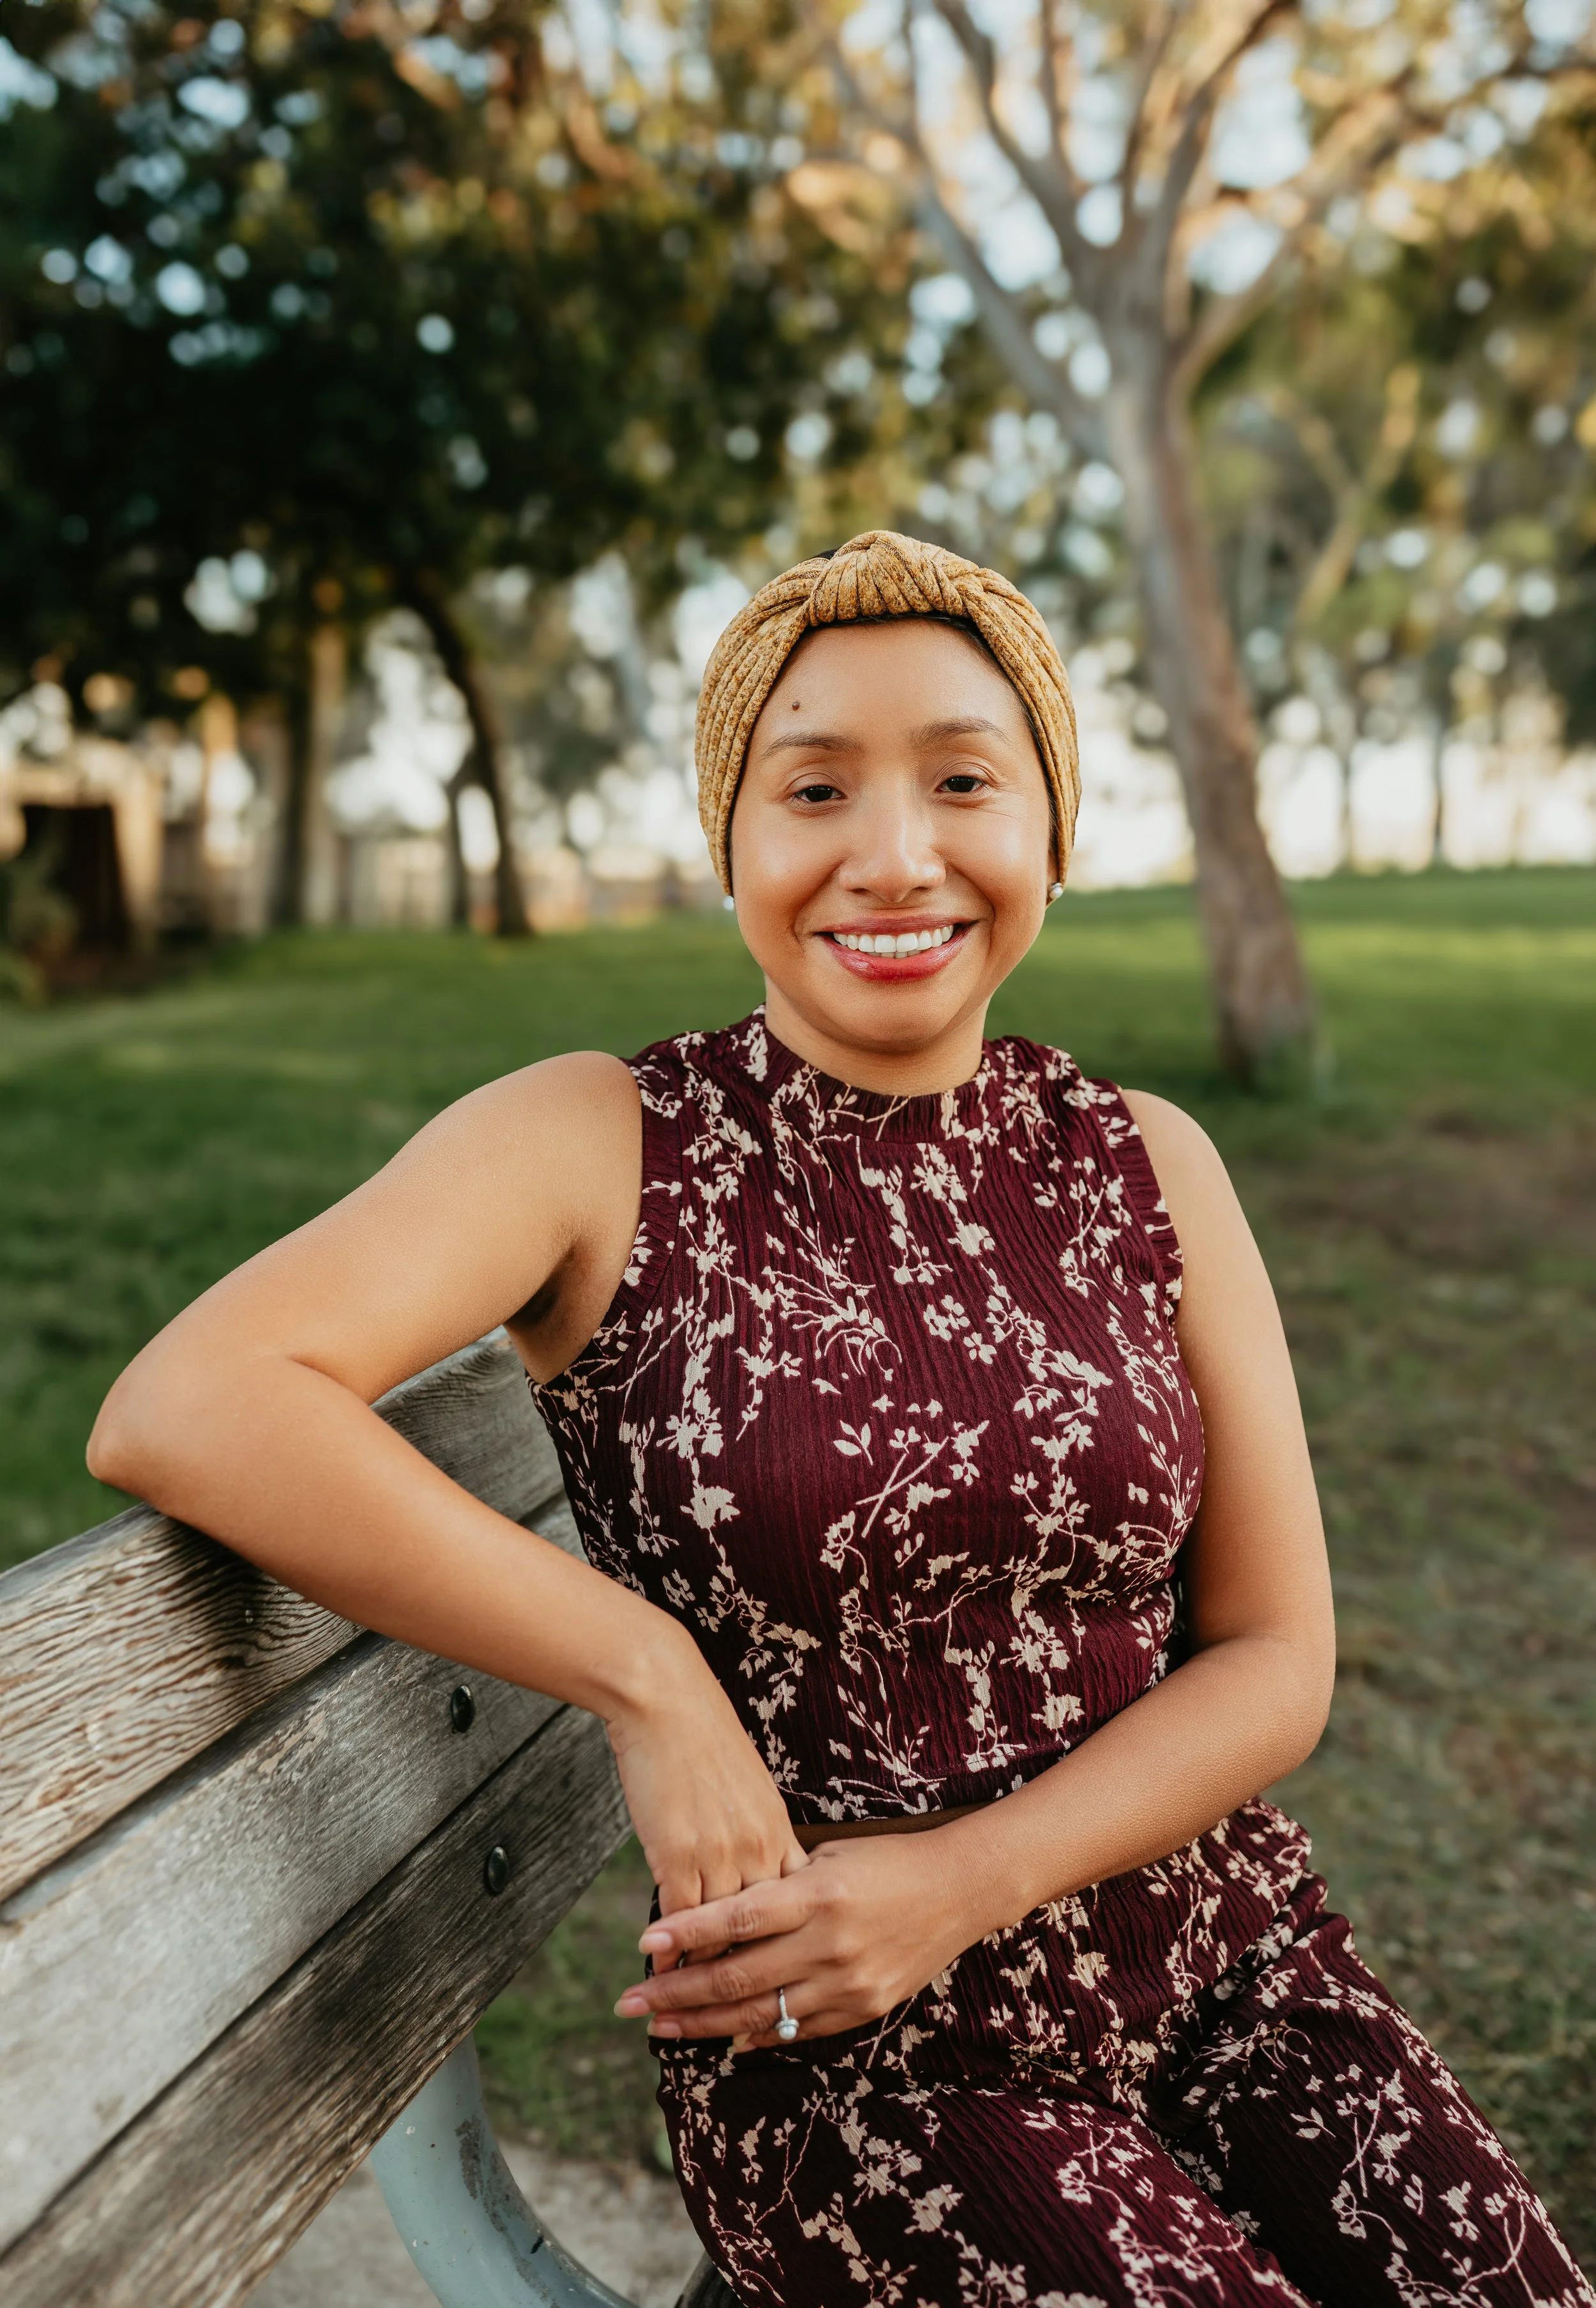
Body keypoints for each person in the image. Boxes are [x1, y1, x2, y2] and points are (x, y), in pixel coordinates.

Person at [90, 531, 1590, 2307]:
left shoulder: (1145, 1160)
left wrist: (968, 1876)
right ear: (732, 838)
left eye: (964, 778)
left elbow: (1275, 1654)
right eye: (812, 787)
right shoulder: (601, 1140)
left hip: (1221, 1962)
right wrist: (646, 1671)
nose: (893, 854)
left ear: (1049, 830)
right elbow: (190, 1401)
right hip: (861, 2059)